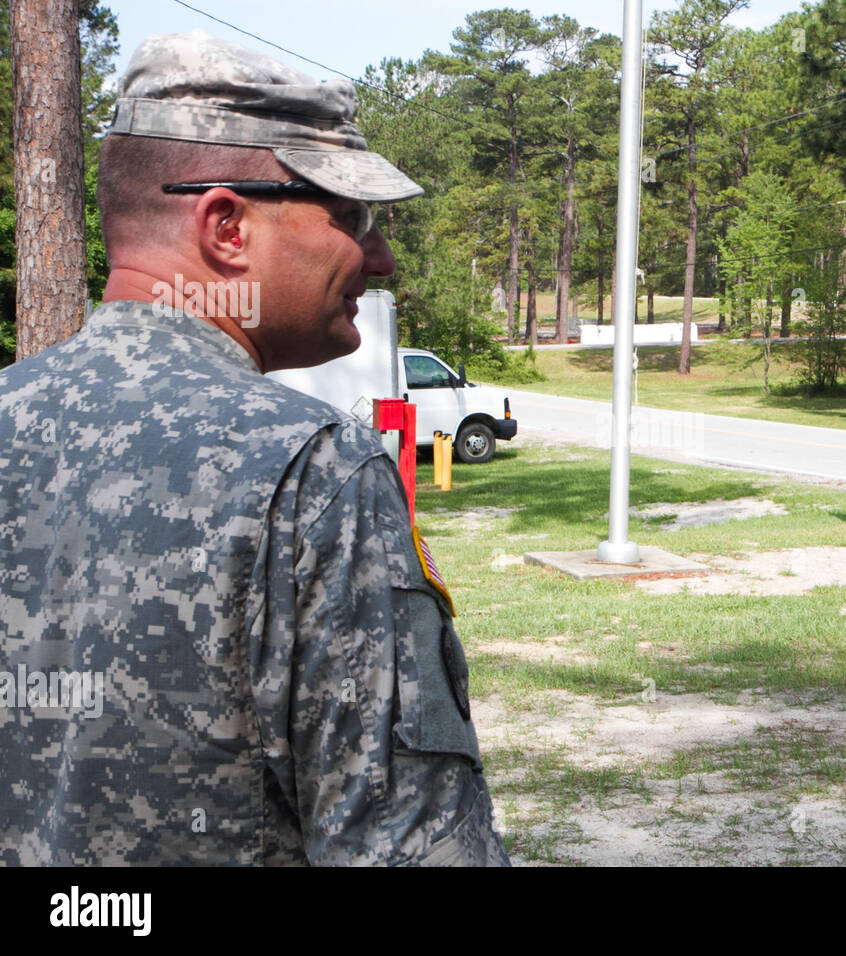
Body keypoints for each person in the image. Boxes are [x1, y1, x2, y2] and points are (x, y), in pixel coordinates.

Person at [0, 32, 508, 866]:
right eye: (351, 217)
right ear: (227, 226)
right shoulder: (314, 471)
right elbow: (409, 848)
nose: (379, 259)